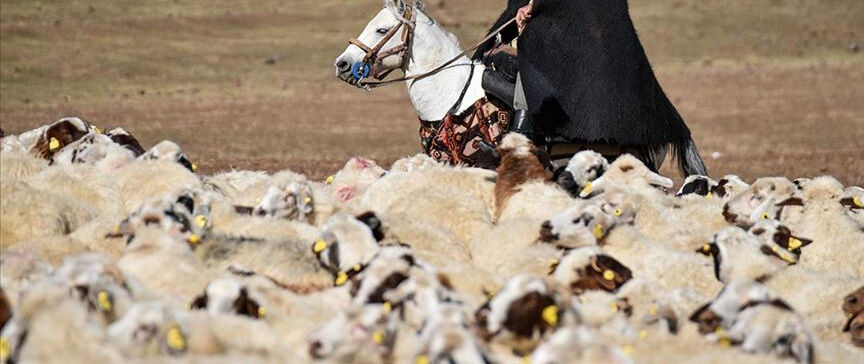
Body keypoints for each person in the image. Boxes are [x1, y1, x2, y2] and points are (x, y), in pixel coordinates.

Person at [476, 0, 707, 177]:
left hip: (572, 34)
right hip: (598, 36)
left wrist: (533, 7)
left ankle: (520, 146)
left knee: (531, 64)